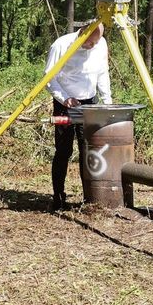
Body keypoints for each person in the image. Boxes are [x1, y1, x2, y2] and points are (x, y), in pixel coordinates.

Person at [44, 22, 112, 210]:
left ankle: (89, 197)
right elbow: (49, 77)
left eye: (95, 43)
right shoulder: (61, 45)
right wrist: (64, 98)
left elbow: (102, 73)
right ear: (82, 34)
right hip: (65, 104)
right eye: (89, 43)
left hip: (89, 103)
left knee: (88, 150)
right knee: (63, 151)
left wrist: (107, 103)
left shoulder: (101, 44)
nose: (92, 47)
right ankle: (58, 197)